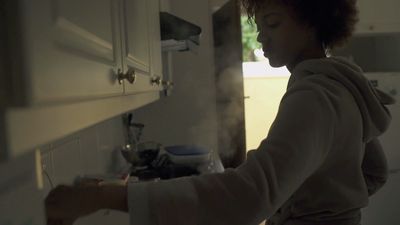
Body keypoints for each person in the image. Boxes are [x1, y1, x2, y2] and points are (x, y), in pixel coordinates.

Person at [45, 0, 394, 224]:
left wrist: (99, 196)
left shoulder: (314, 96)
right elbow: (374, 172)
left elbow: (249, 196)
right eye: (260, 27)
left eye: (272, 24)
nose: (261, 38)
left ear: (313, 23)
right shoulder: (343, 88)